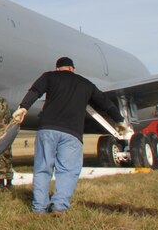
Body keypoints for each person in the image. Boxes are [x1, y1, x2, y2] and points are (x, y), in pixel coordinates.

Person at [11, 57, 128, 214]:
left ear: (58, 68)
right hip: (72, 133)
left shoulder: (49, 76)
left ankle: (39, 208)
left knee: (42, 168)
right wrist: (119, 120)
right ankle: (59, 206)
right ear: (73, 69)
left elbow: (35, 92)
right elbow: (105, 103)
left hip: (48, 129)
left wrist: (23, 107)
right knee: (68, 171)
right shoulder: (86, 84)